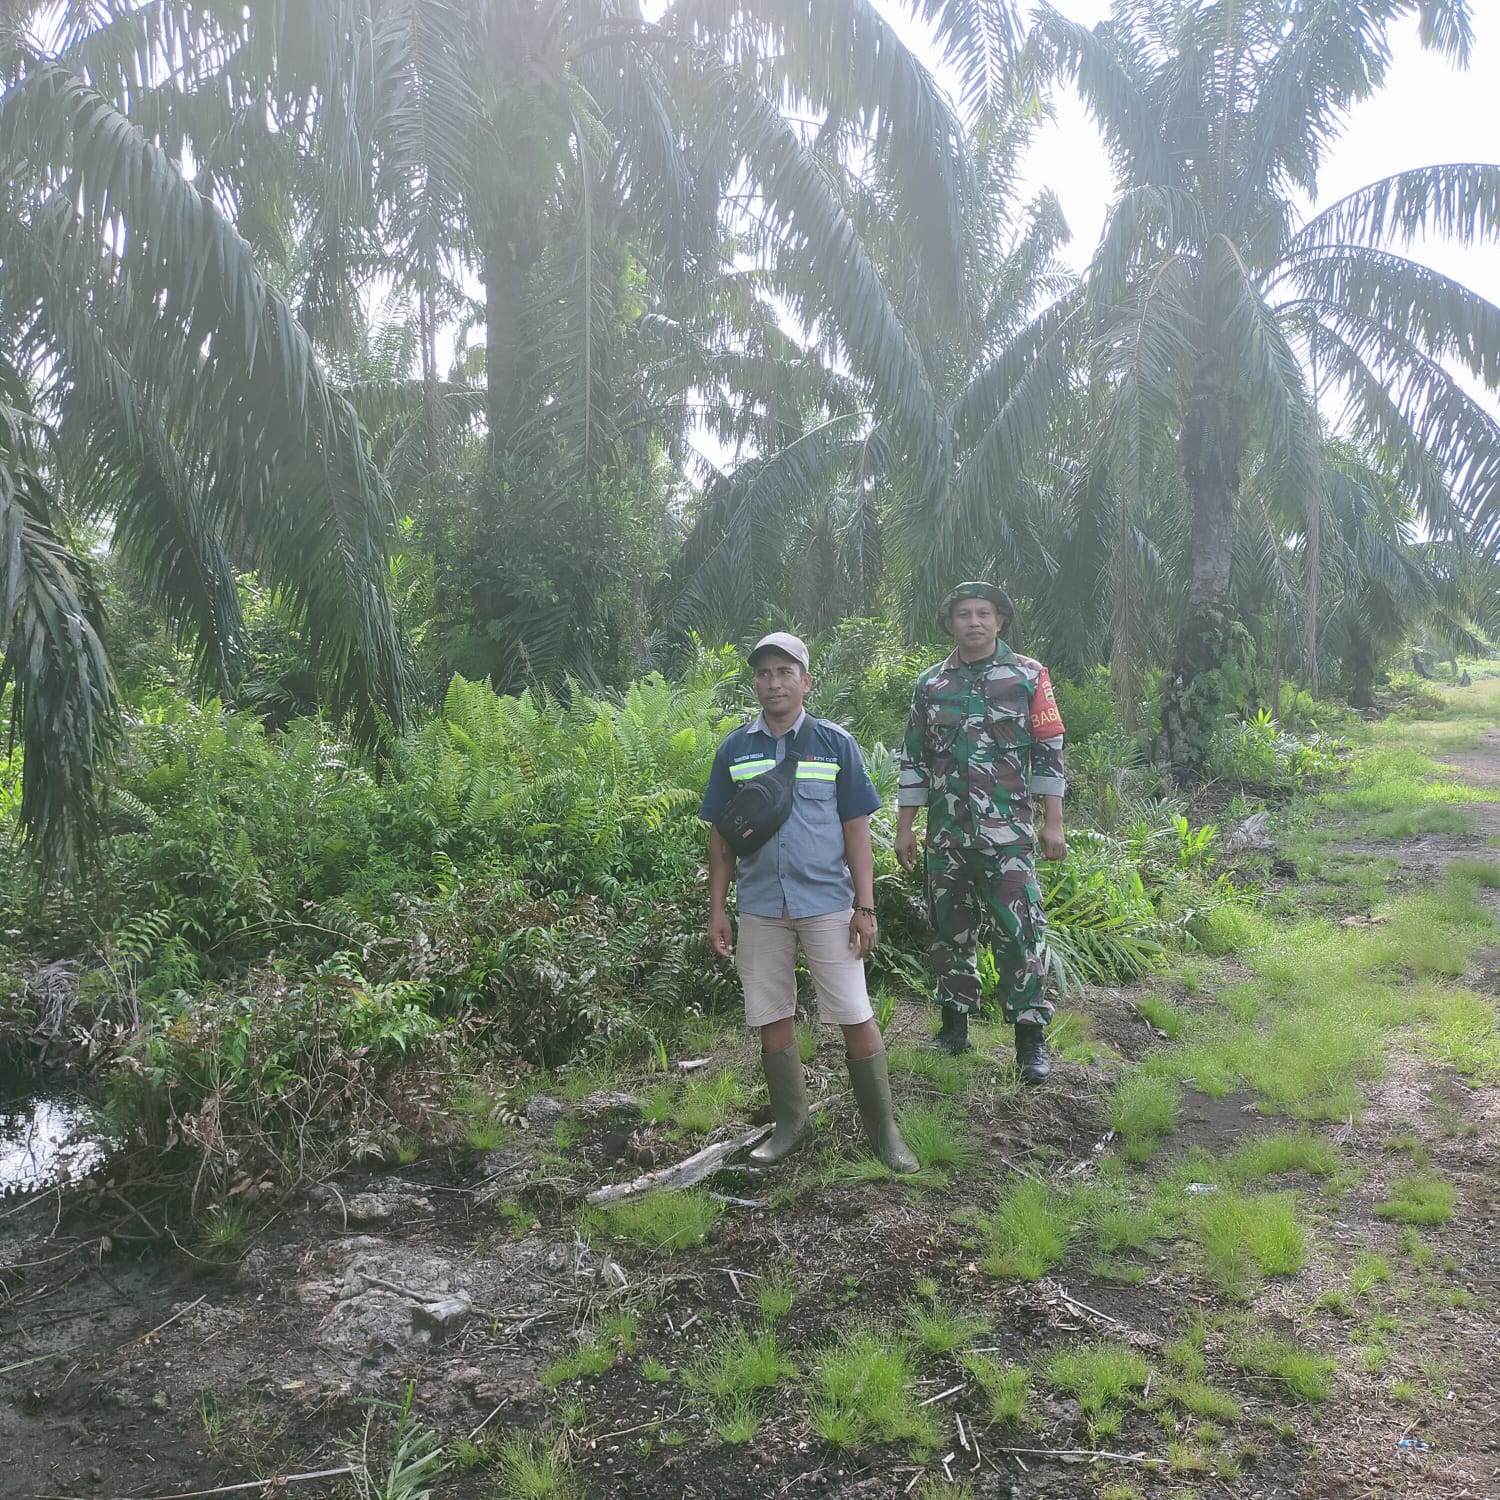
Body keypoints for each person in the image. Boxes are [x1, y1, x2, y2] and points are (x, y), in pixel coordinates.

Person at [700, 631, 918, 1172]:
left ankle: (885, 1134)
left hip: (826, 903)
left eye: (784, 673)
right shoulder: (735, 749)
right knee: (771, 1012)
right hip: (759, 905)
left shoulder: (835, 744)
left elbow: (857, 830)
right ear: (755, 682)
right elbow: (722, 837)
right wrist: (717, 907)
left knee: (853, 1011)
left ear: (805, 681)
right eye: (763, 674)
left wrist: (865, 906)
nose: (773, 683)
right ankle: (790, 1125)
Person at [894, 583, 1068, 1083]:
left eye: (984, 613)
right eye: (964, 614)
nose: (974, 622)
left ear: (1000, 621)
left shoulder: (1028, 676)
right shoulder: (930, 684)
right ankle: (954, 1030)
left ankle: (1029, 1043)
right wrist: (906, 828)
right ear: (950, 623)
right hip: (946, 837)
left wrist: (1052, 821)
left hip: (1009, 836)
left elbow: (1049, 751)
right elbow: (914, 759)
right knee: (950, 935)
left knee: (1019, 935)